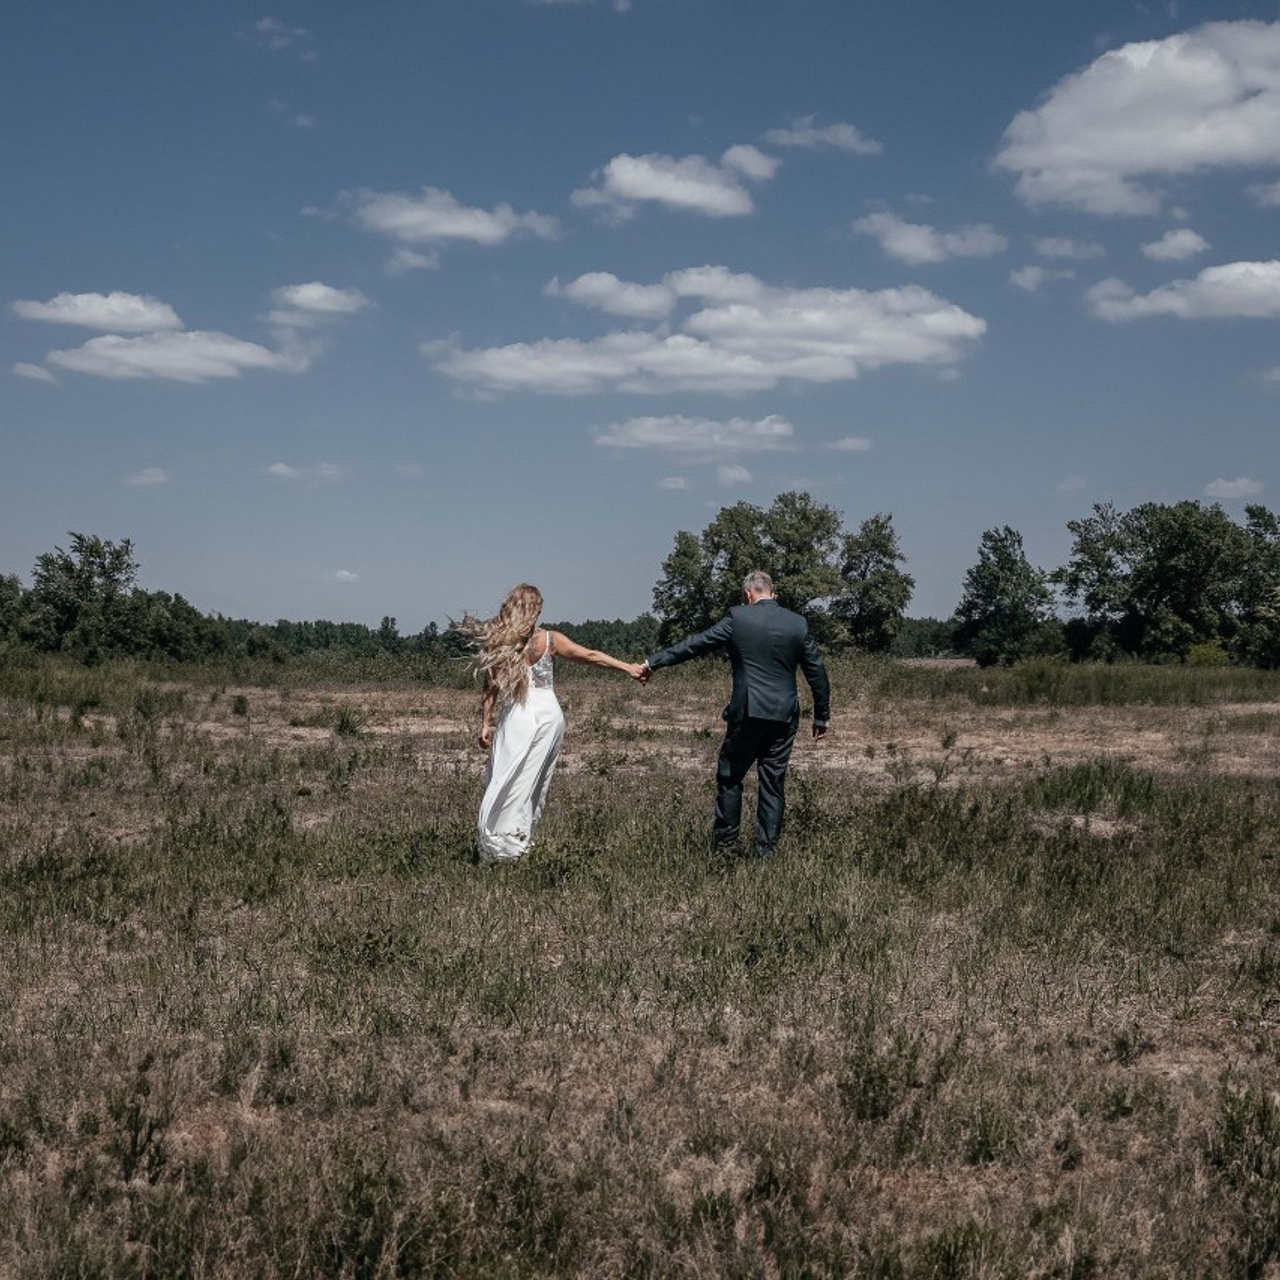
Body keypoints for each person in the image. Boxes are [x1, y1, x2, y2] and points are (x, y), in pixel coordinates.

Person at [641, 570, 829, 858]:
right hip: (784, 715)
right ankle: (765, 853)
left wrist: (653, 663)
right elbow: (816, 670)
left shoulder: (738, 618)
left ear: (748, 594)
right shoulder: (797, 623)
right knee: (773, 782)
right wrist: (821, 715)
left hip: (747, 714)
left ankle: (726, 849)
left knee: (730, 777)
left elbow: (695, 644)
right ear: (772, 592)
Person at [460, 584, 646, 865]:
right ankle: (516, 844)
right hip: (548, 714)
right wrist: (628, 667)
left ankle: (502, 846)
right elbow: (590, 656)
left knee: (507, 778)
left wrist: (485, 723)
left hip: (517, 716)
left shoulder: (498, 641)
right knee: (533, 781)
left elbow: (490, 688)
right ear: (534, 609)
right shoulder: (548, 640)